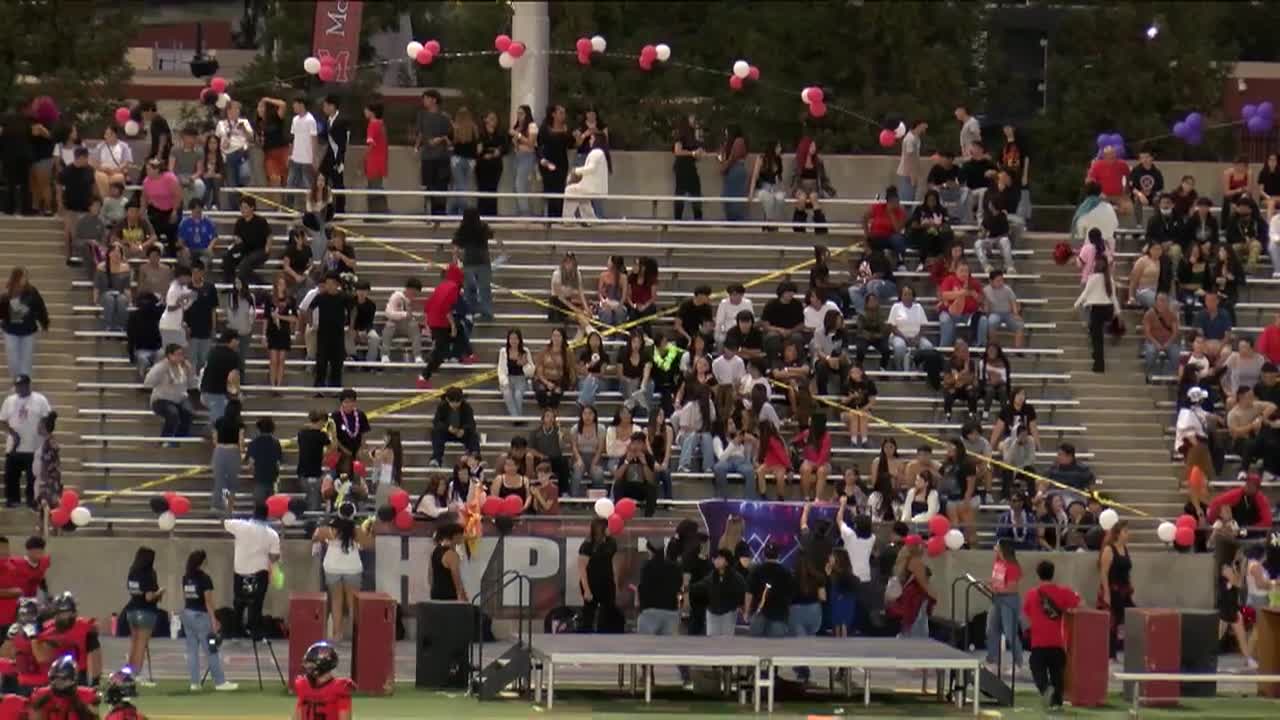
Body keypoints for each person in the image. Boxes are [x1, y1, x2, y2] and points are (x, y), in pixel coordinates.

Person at [311, 502, 372, 641]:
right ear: (353, 514)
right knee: (353, 603)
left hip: (332, 567)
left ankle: (337, 634)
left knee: (336, 601)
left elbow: (315, 537)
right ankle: (357, 635)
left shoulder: (329, 530)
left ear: (339, 513)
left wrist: (325, 540)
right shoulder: (357, 530)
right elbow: (369, 544)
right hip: (352, 567)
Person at [179, 550, 236, 692]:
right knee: (212, 649)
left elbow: (186, 597)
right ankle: (220, 682)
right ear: (202, 562)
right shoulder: (205, 579)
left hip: (187, 616)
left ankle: (194, 683)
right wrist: (214, 620)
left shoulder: (185, 577)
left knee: (192, 651)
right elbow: (208, 602)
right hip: (202, 619)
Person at [223, 501, 280, 639]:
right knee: (256, 603)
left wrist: (229, 504)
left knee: (239, 602)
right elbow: (274, 557)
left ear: (254, 512)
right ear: (267, 515)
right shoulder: (272, 534)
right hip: (259, 572)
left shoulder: (241, 526)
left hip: (240, 571)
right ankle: (255, 631)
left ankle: (236, 630)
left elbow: (225, 522)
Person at [0, 376, 51, 509]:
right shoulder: (9, 401)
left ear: (28, 385)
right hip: (14, 447)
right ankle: (12, 500)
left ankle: (31, 500)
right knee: (11, 476)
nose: (19, 388)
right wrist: (12, 433)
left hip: (34, 446)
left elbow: (47, 418)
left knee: (32, 477)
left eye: (21, 385)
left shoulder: (40, 400)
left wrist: (43, 430)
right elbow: (2, 421)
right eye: (17, 386)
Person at [416, 260, 468, 391]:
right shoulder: (453, 288)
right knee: (442, 351)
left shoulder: (442, 285)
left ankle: (466, 354)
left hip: (434, 321)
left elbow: (428, 305)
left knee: (458, 331)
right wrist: (452, 325)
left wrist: (427, 323)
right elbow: (446, 308)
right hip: (441, 322)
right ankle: (424, 377)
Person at [1074, 256, 1121, 373]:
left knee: (1097, 339)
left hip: (1097, 309)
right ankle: (1096, 355)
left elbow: (1085, 293)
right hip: (1108, 309)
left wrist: (1076, 304)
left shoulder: (1093, 278)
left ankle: (1099, 365)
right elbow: (1113, 297)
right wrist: (1117, 312)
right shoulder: (1109, 279)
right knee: (1096, 332)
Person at [122, 547, 162, 682]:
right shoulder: (148, 574)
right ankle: (136, 673)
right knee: (141, 644)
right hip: (146, 612)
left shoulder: (132, 572)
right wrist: (160, 593)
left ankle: (128, 672)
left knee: (134, 643)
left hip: (131, 610)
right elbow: (149, 597)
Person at [0, 268, 48, 380]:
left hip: (28, 331)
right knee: (13, 359)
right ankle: (16, 381)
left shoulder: (32, 292)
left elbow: (40, 307)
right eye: (22, 277)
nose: (24, 279)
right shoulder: (7, 293)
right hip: (11, 331)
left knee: (27, 360)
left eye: (26, 277)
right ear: (16, 278)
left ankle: (25, 381)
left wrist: (44, 322)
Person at [985, 538, 1023, 671]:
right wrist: (988, 583)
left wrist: (996, 590)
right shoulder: (998, 562)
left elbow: (1013, 588)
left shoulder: (1012, 566)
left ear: (1003, 549)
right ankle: (992, 660)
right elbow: (997, 580)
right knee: (991, 630)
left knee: (1010, 632)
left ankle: (1018, 662)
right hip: (997, 599)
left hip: (1009, 600)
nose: (994, 548)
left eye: (997, 546)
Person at [578, 517, 621, 633]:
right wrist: (586, 589)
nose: (610, 529)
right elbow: (582, 568)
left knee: (608, 613)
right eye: (608, 526)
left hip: (607, 582)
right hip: (592, 583)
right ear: (600, 529)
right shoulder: (587, 545)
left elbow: (613, 563)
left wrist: (616, 583)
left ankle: (606, 635)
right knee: (589, 613)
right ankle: (586, 636)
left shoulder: (611, 542)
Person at [309, 273, 352, 389]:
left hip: (338, 335)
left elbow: (353, 310)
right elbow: (310, 308)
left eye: (331, 283)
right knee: (321, 362)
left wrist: (351, 326)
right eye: (327, 283)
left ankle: (335, 388)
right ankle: (319, 388)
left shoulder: (344, 297)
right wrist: (311, 324)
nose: (329, 286)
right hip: (323, 334)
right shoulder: (321, 297)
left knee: (337, 363)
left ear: (337, 284)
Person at [1097, 520, 1133, 658]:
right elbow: (1104, 572)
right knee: (1114, 621)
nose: (1128, 534)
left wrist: (1130, 585)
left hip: (1125, 590)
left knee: (1132, 617)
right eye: (1125, 531)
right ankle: (1110, 654)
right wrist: (1106, 593)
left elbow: (1127, 570)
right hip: (1113, 590)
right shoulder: (1109, 549)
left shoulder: (1125, 548)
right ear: (1117, 534)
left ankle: (1125, 649)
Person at [453, 208, 496, 320]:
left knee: (469, 289)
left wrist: (455, 262)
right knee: (484, 289)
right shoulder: (483, 226)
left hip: (469, 262)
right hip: (483, 262)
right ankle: (487, 313)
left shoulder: (463, 228)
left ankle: (471, 311)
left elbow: (456, 247)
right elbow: (492, 235)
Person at [292, 642, 354, 720]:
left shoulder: (338, 689)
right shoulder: (304, 685)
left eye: (311, 664)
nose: (308, 667)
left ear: (323, 665)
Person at [889, 536, 935, 638]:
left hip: (908, 598)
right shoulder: (916, 562)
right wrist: (938, 597)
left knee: (907, 629)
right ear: (917, 546)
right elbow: (924, 585)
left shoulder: (904, 560)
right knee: (916, 632)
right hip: (915, 599)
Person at [744, 543, 793, 637]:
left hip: (758, 614)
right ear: (779, 555)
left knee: (755, 645)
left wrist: (746, 612)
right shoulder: (786, 573)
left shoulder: (756, 570)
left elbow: (749, 593)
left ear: (764, 554)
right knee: (775, 645)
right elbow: (790, 596)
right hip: (779, 615)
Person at [415, 90, 452, 216]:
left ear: (434, 100)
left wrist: (440, 139)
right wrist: (417, 147)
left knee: (441, 187)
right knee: (429, 187)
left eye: (426, 98)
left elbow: (450, 135)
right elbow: (420, 133)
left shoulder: (445, 117)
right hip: (427, 157)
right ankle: (429, 214)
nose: (424, 101)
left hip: (442, 157)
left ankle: (440, 215)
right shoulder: (421, 115)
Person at [29, 657, 98, 720]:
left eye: (63, 679)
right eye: (55, 678)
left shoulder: (87, 695)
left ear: (73, 679)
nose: (58, 683)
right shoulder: (40, 694)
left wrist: (84, 709)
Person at [215, 101, 254, 205]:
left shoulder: (244, 122)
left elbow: (251, 138)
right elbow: (218, 140)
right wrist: (229, 132)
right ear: (228, 111)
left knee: (245, 177)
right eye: (235, 109)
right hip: (229, 155)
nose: (237, 111)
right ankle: (234, 208)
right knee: (232, 184)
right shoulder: (221, 124)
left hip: (242, 153)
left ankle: (244, 203)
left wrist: (244, 129)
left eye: (238, 109)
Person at [430, 387, 480, 467]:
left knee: (473, 435)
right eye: (453, 402)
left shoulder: (466, 407)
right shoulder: (442, 407)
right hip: (447, 433)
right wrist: (448, 428)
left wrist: (463, 430)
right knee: (436, 433)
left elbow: (471, 423)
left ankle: (475, 458)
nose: (456, 404)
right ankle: (436, 459)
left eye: (458, 402)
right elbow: (437, 422)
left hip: (461, 433)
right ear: (447, 400)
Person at [537, 105, 572, 217]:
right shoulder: (545, 128)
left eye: (564, 113)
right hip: (547, 163)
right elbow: (538, 146)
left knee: (560, 190)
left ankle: (558, 217)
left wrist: (578, 138)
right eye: (560, 113)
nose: (563, 115)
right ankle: (549, 217)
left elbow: (570, 144)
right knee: (549, 189)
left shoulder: (566, 128)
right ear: (553, 114)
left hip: (562, 163)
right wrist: (542, 159)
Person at [887, 286, 931, 371]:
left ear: (913, 296)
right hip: (898, 336)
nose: (907, 297)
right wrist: (905, 338)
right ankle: (899, 369)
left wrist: (917, 338)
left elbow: (924, 325)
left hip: (916, 336)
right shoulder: (896, 307)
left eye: (910, 294)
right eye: (905, 294)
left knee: (928, 347)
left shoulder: (918, 307)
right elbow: (892, 327)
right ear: (901, 296)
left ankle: (918, 369)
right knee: (900, 347)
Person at [317, 95, 349, 214]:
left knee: (338, 184)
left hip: (337, 157)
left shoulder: (341, 121)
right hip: (328, 155)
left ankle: (340, 210)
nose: (324, 108)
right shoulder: (328, 120)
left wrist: (340, 161)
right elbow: (325, 136)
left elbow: (342, 143)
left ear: (332, 106)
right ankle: (324, 207)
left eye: (325, 106)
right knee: (321, 179)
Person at [286, 95, 319, 205]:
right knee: (290, 184)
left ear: (301, 105)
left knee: (307, 185)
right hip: (295, 158)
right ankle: (289, 208)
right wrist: (290, 155)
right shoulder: (295, 120)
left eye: (295, 104)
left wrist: (314, 158)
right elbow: (293, 139)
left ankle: (311, 208)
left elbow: (314, 139)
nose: (293, 107)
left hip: (307, 159)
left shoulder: (310, 120)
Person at [446, 106, 478, 216]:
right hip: (470, 161)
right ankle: (455, 211)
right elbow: (477, 145)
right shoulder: (474, 128)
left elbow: (450, 143)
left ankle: (460, 211)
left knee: (459, 186)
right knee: (462, 186)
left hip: (457, 159)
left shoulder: (455, 128)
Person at [563, 145, 608, 220]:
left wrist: (576, 171)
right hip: (591, 185)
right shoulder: (598, 153)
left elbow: (591, 168)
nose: (590, 141)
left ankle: (568, 218)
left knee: (570, 190)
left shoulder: (596, 153)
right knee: (583, 199)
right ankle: (590, 219)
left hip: (592, 186)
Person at [863, 185, 907, 262]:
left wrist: (891, 214)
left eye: (897, 202)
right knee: (871, 241)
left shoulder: (901, 212)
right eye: (893, 202)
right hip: (876, 236)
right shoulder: (878, 207)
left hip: (890, 237)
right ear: (888, 201)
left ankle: (900, 261)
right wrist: (867, 233)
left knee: (898, 239)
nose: (896, 204)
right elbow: (864, 218)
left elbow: (897, 230)